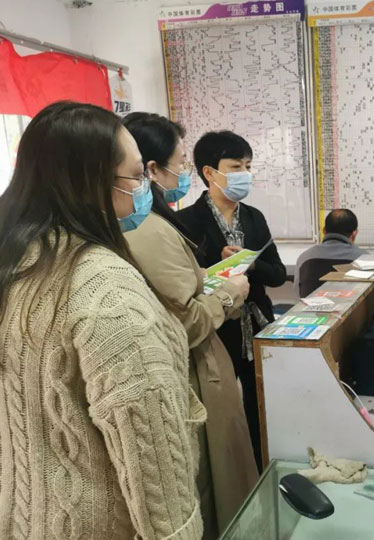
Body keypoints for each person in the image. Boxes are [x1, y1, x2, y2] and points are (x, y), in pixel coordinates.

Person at [0, 101, 203, 538]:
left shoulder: (6, 263)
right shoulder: (105, 288)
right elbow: (154, 463)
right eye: (136, 176)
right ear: (89, 183)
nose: (145, 188)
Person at [122, 112, 258, 537]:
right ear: (149, 169)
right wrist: (228, 293)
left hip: (215, 351)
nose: (183, 172)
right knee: (213, 486)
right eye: (180, 162)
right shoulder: (147, 227)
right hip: (194, 369)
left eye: (248, 166)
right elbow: (184, 319)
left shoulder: (248, 216)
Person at [177, 130, 286, 470]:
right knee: (221, 408)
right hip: (216, 328)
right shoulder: (185, 222)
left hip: (257, 326)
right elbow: (184, 282)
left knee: (261, 404)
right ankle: (232, 474)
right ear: (210, 172)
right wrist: (219, 267)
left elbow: (278, 274)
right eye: (236, 167)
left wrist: (250, 264)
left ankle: (262, 465)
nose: (245, 174)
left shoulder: (254, 217)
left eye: (248, 166)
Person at [293, 209, 368, 297]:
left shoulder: (305, 257)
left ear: (324, 231)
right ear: (354, 233)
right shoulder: (365, 259)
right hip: (352, 305)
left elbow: (297, 292)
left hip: (309, 305)